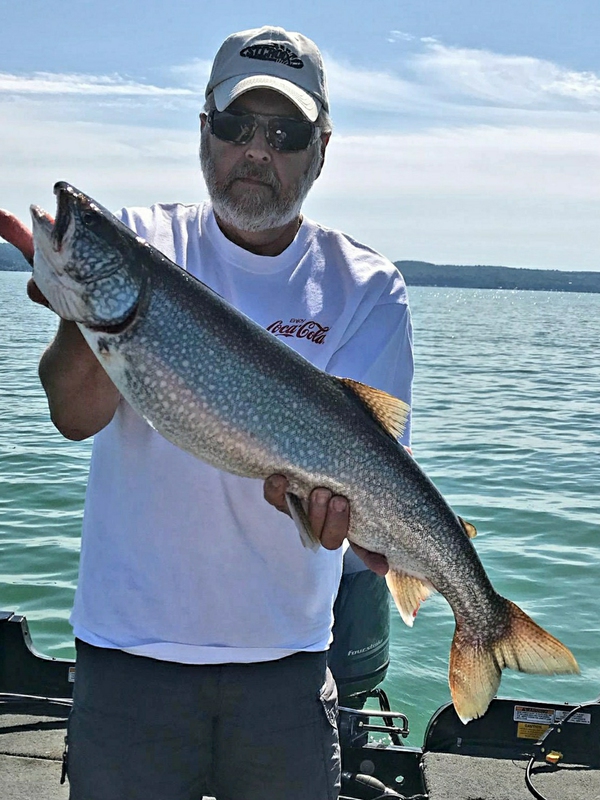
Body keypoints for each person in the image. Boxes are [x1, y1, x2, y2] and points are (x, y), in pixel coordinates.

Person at [1, 26, 413, 800]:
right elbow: (73, 415)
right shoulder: (145, 240)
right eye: (237, 126)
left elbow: (370, 472)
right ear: (204, 131)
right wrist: (76, 309)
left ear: (321, 149)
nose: (257, 150)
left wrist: (343, 522)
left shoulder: (367, 288)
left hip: (286, 666)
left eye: (286, 133)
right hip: (130, 658)